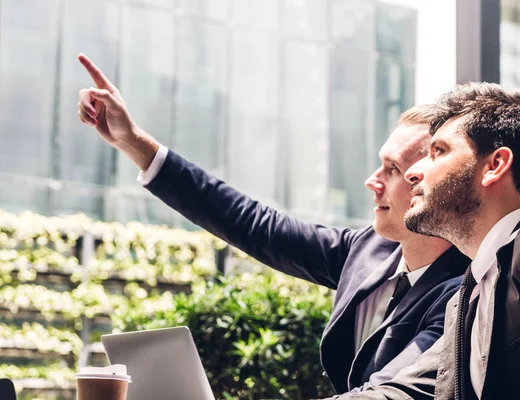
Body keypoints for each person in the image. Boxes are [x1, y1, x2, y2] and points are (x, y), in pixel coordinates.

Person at [76, 53, 469, 394]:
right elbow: (253, 224)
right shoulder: (367, 250)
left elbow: (388, 393)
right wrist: (133, 143)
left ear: (431, 181)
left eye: (393, 169)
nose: (372, 180)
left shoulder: (465, 295)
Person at [327, 82, 520, 400]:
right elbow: (411, 391)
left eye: (438, 151)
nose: (414, 172)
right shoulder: (469, 295)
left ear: (495, 166)